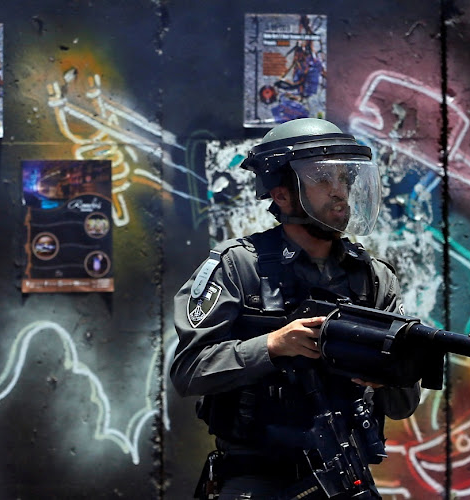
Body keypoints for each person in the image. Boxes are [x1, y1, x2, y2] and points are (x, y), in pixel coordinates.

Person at [170, 118, 421, 499]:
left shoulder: (372, 278)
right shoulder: (240, 266)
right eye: (323, 179)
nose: (339, 192)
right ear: (282, 195)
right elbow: (189, 370)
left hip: (343, 475)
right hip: (256, 478)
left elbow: (403, 405)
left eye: (344, 179)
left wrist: (390, 375)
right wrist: (272, 345)